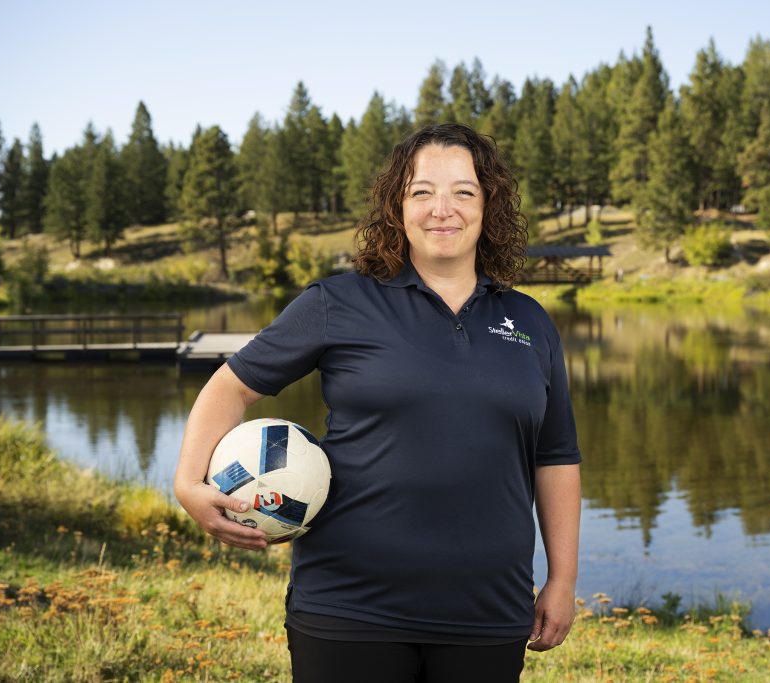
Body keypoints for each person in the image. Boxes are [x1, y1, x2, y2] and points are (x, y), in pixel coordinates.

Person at [175, 123, 582, 683]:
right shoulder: (337, 302)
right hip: (349, 608)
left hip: (488, 615)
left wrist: (562, 580)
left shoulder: (531, 322)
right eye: (422, 192)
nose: (443, 208)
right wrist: (187, 483)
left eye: (463, 191)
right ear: (398, 206)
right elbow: (231, 386)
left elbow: (555, 456)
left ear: (489, 206)